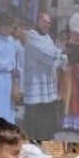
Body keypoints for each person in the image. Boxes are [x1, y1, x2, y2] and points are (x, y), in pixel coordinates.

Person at [20, 12, 63, 141]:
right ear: (38, 21)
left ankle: (46, 135)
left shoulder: (48, 37)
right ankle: (34, 137)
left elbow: (53, 52)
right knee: (36, 109)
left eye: (49, 23)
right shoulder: (31, 35)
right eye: (46, 22)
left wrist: (61, 56)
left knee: (47, 108)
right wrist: (60, 52)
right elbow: (43, 53)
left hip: (47, 79)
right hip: (36, 79)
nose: (48, 25)